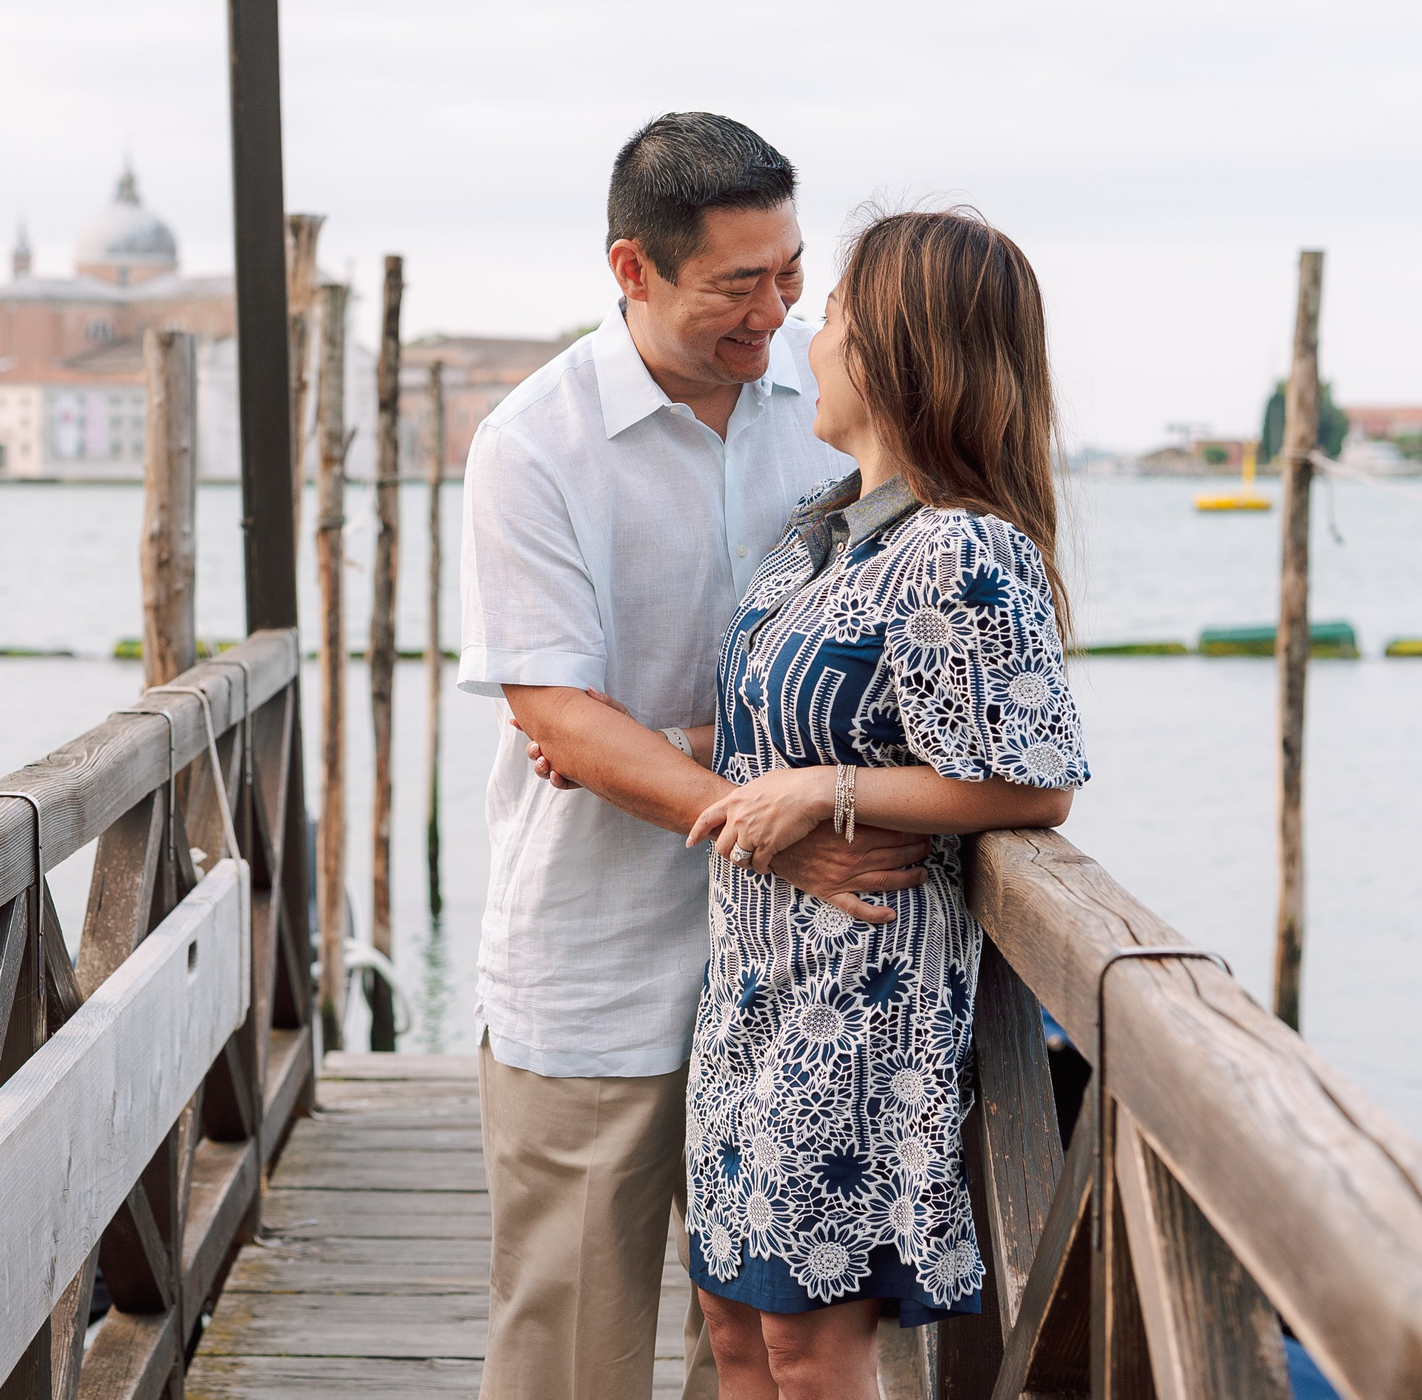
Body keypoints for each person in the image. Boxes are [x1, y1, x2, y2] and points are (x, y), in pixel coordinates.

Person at [549, 207, 1087, 1400]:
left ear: (898, 348)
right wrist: (647, 742)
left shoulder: (961, 551)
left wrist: (828, 792)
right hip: (748, 989)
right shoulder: (819, 535)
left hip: (861, 1004)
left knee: (809, 1342)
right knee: (733, 1324)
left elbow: (1033, 779)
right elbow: (784, 720)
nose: (808, 328)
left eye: (835, 309)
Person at [460, 114, 938, 1400]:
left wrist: (749, 776)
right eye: (738, 283)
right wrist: (782, 817)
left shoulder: (834, 414)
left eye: (788, 273)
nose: (774, 310)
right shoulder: (530, 445)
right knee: (572, 1346)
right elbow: (557, 714)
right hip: (600, 951)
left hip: (808, 968)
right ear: (633, 269)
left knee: (761, 1351)